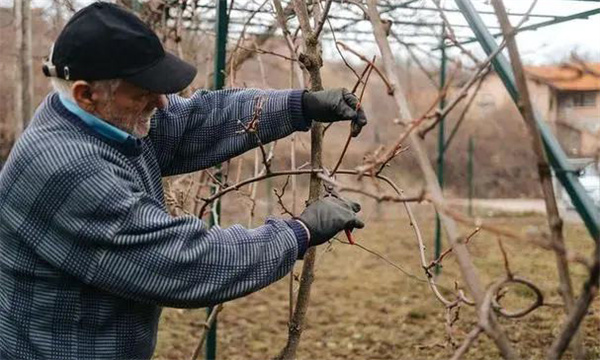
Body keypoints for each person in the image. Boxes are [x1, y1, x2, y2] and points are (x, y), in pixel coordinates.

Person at [0, 2, 367, 359]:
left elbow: (193, 120)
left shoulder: (102, 117)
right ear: (86, 93)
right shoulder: (66, 168)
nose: (160, 102)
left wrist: (299, 106)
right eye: (144, 92)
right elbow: (182, 262)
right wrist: (299, 232)